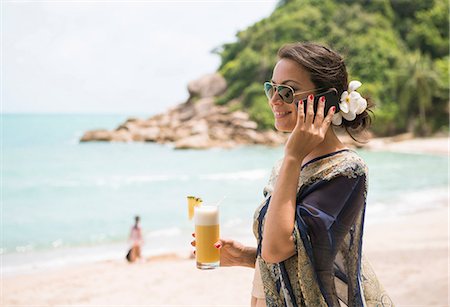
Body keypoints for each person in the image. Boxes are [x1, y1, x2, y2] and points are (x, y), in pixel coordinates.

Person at [191, 42, 393, 306]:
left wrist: (292, 156)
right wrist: (243, 256)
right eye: (271, 88)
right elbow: (302, 258)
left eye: (287, 91)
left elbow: (277, 250)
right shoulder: (286, 167)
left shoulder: (345, 171)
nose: (274, 100)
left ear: (326, 101)